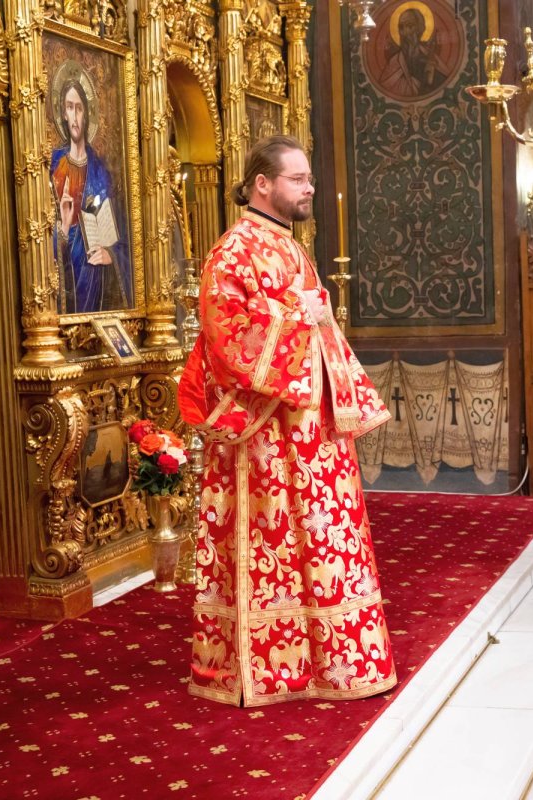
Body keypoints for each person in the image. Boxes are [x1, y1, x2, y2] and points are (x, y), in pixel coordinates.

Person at [179, 135, 396, 707]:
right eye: (298, 180)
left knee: (322, 543)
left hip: (311, 432)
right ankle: (275, 670)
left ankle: (329, 664)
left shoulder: (289, 247)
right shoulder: (233, 251)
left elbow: (308, 324)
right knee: (276, 543)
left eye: (309, 180)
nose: (309, 189)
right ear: (263, 185)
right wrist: (300, 317)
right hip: (267, 437)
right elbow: (226, 336)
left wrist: (309, 318)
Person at [50, 74, 131, 314]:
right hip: (65, 273)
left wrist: (110, 255)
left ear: (86, 114)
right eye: (69, 108)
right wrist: (64, 229)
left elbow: (122, 236)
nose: (74, 118)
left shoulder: (100, 170)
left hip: (95, 275)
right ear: (63, 114)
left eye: (78, 109)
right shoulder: (51, 166)